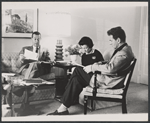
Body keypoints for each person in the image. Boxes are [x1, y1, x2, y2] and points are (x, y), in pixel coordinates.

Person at [47, 26, 135, 115]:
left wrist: (92, 67)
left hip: (108, 82)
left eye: (111, 40)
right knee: (76, 80)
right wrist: (100, 64)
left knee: (77, 70)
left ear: (118, 40)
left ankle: (64, 99)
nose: (110, 43)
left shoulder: (123, 53)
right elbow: (112, 65)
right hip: (107, 78)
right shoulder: (125, 50)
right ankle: (63, 108)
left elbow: (110, 68)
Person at [6, 31, 53, 111]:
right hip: (26, 70)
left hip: (39, 69)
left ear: (40, 39)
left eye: (38, 39)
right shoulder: (25, 49)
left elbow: (49, 63)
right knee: (32, 73)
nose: (36, 41)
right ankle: (25, 104)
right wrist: (21, 59)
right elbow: (17, 65)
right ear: (31, 39)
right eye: (35, 39)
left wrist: (43, 62)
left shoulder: (44, 50)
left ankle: (18, 89)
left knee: (34, 65)